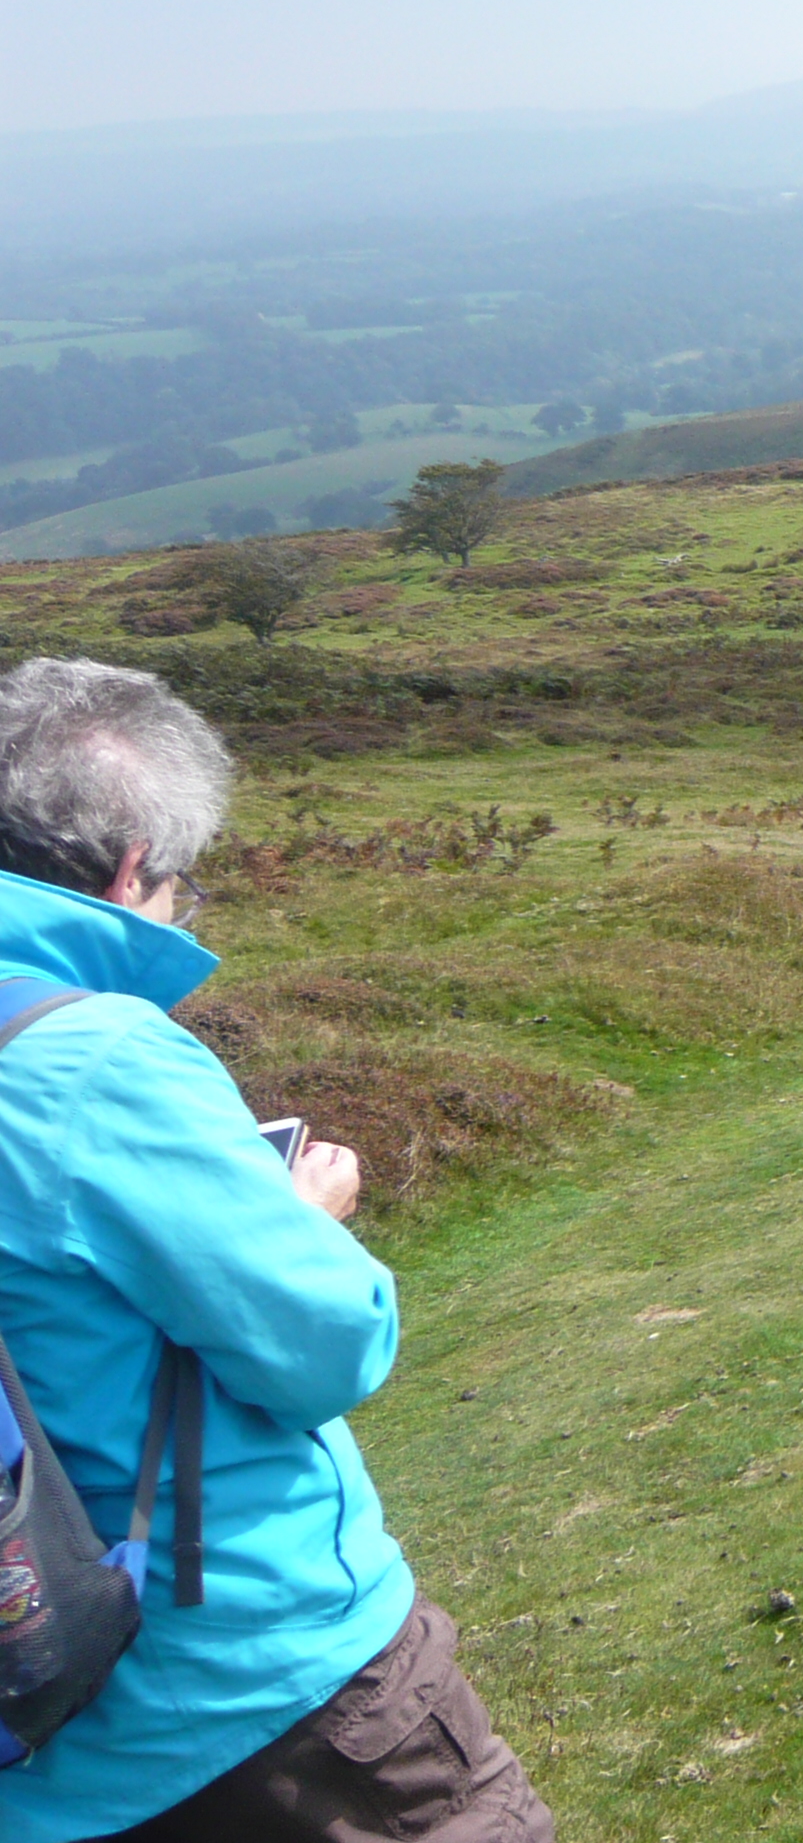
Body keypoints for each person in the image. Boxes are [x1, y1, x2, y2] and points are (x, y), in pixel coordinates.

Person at [0, 657, 555, 1843]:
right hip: (244, 1688)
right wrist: (302, 1219)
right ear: (134, 864)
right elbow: (321, 1346)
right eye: (183, 884)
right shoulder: (84, 1061)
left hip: (34, 1748)